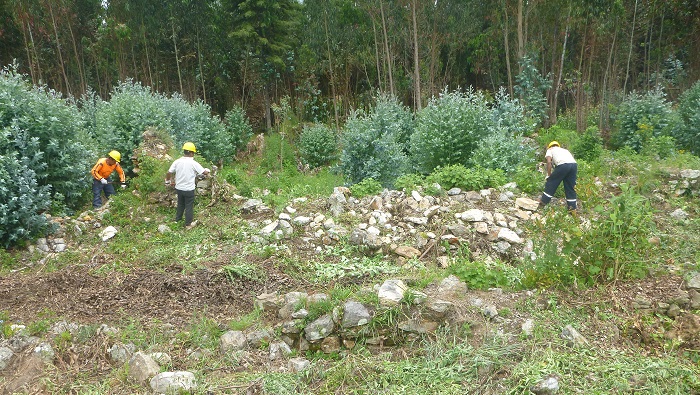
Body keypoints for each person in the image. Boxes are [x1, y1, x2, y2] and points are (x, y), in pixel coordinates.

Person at [165, 142, 210, 229]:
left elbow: (169, 172)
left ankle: (177, 220)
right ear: (192, 153)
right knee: (189, 206)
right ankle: (188, 224)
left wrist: (167, 181)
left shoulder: (177, 162)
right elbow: (204, 172)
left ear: (184, 151)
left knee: (181, 204)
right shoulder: (193, 163)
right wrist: (208, 170)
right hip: (189, 189)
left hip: (179, 188)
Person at [539, 141, 578, 211]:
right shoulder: (565, 150)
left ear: (550, 146)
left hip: (563, 165)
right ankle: (572, 208)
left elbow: (548, 162)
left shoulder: (550, 150)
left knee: (551, 182)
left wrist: (549, 174)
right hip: (574, 165)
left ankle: (543, 202)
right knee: (570, 187)